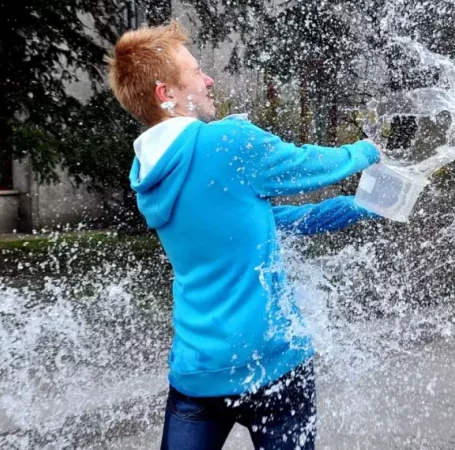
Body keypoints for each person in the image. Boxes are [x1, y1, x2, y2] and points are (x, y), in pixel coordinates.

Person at [106, 20, 383, 450]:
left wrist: (352, 209)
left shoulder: (148, 174)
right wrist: (367, 150)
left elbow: (258, 224)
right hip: (274, 366)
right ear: (167, 94)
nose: (208, 78)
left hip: (196, 374)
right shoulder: (226, 142)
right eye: (196, 72)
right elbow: (312, 165)